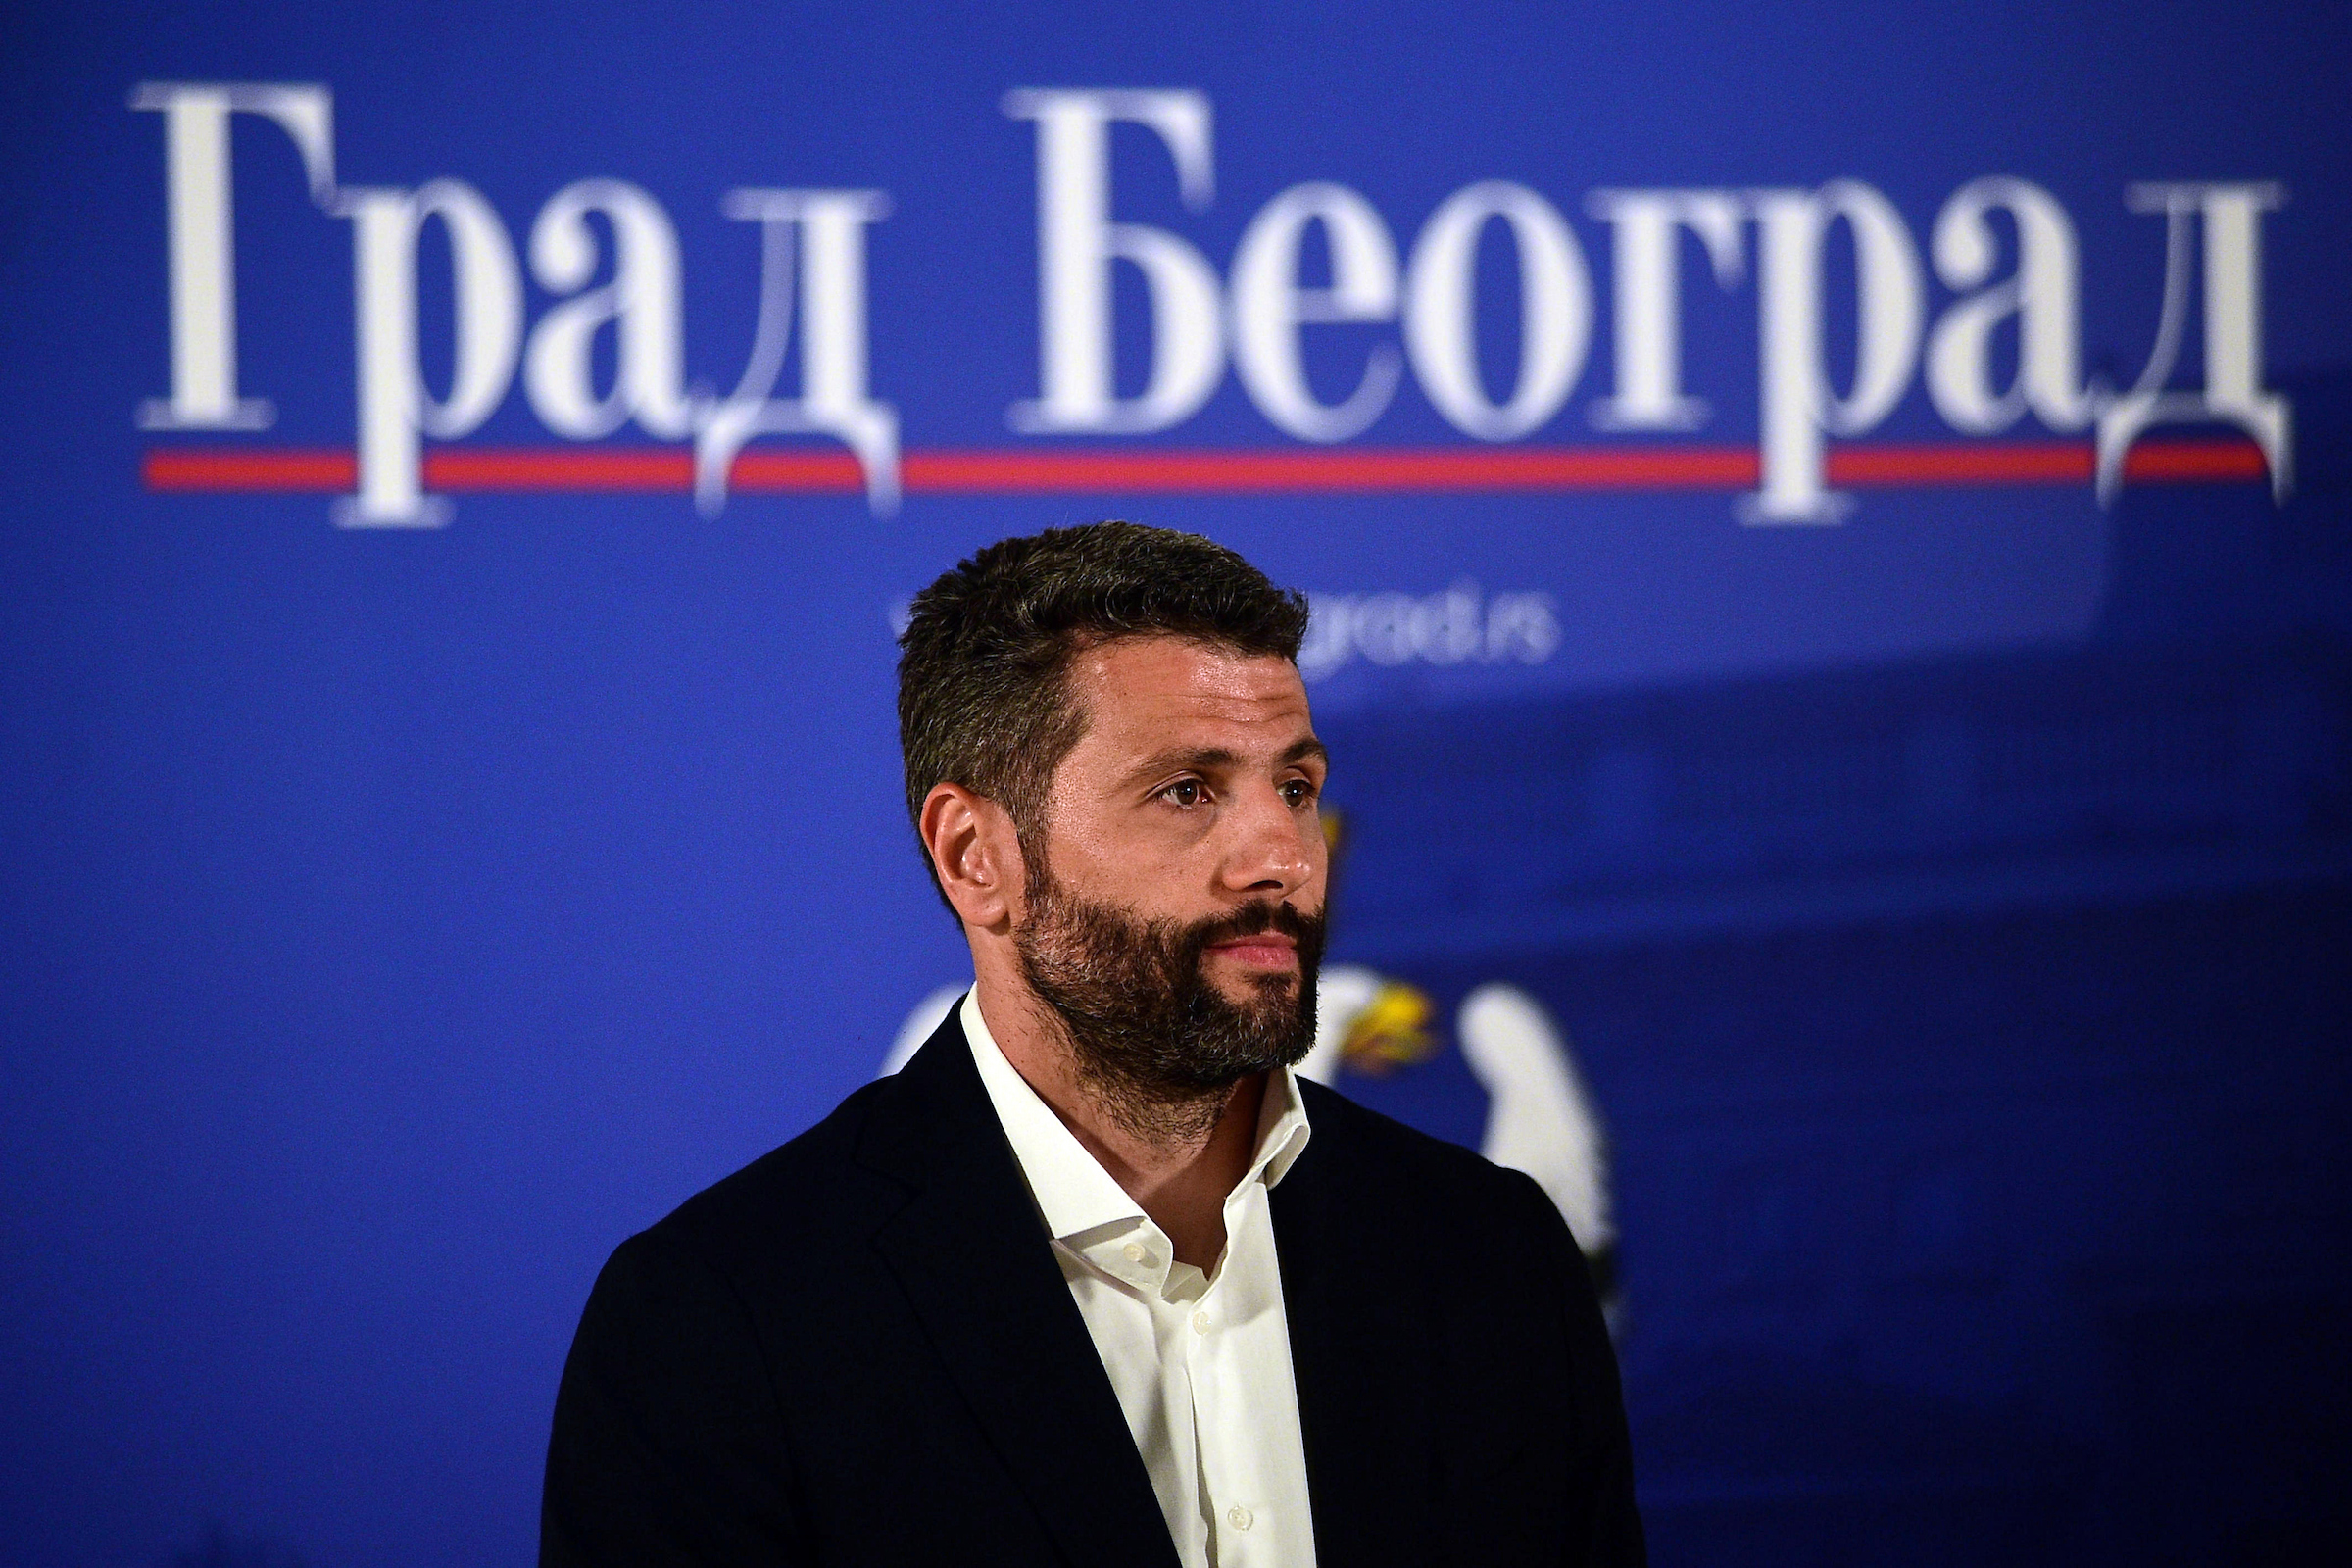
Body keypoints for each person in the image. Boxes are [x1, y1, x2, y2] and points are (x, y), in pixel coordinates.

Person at [540, 522, 1643, 1568]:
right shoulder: (720, 1326)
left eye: (1295, 787)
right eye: (1186, 791)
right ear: (977, 857)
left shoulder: (1497, 1261)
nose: (1284, 857)